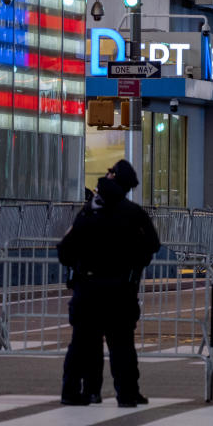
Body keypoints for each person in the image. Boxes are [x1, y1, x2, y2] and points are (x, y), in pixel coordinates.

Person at [57, 159, 160, 407]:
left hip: (88, 287)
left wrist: (79, 266)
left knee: (82, 344)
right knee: (122, 345)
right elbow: (152, 245)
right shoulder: (134, 213)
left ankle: (76, 392)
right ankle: (127, 394)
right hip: (121, 289)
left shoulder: (89, 211)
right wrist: (134, 265)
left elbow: (65, 250)